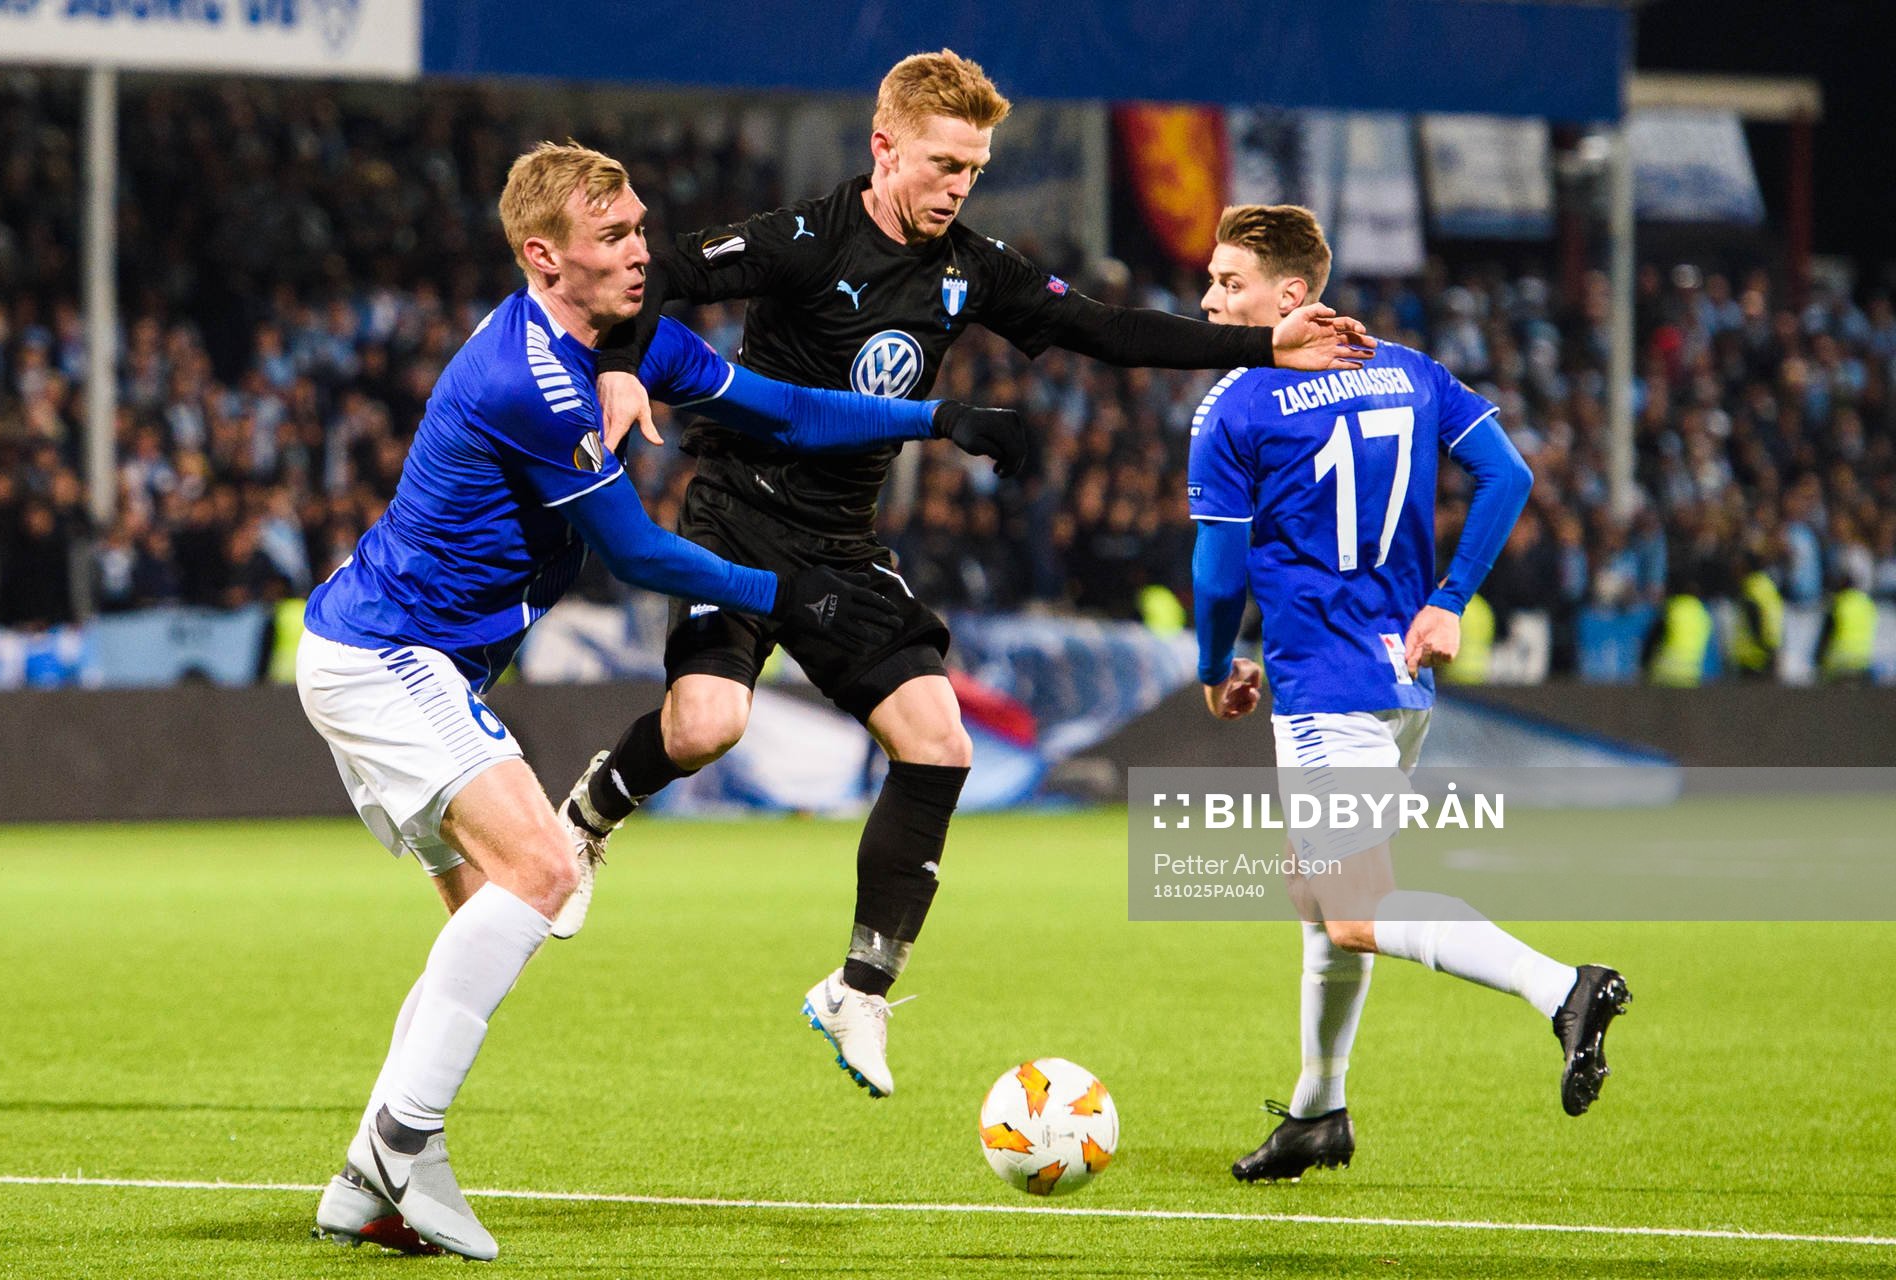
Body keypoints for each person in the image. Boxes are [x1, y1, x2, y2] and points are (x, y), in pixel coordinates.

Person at [565, 50, 1376, 1100]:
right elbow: (667, 268)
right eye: (945, 162)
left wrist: (1265, 345)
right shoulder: (806, 237)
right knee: (705, 726)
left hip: (844, 540)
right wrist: (623, 358)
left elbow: (1104, 329)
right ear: (884, 146)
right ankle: (587, 814)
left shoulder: (971, 266)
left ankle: (859, 986)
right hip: (737, 514)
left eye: (976, 168)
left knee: (939, 743)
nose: (959, 185)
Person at [300, 141, 1025, 1260]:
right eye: (613, 238)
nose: (644, 252)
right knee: (543, 873)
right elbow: (638, 552)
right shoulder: (530, 378)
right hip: (390, 655)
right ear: (545, 258)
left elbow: (784, 408)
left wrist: (937, 420)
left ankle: (379, 1170)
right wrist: (787, 594)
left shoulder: (625, 341)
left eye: (642, 227)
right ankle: (396, 1149)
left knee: (496, 916)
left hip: (391, 653)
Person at [1184, 204, 1630, 1183]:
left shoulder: (1238, 403)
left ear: (1290, 295)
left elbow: (1218, 575)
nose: (1211, 297)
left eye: (1230, 281)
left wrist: (1217, 668)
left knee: (1349, 907)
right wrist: (1449, 599)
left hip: (1323, 688)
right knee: (1319, 895)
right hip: (1400, 680)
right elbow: (1507, 474)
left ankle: (1562, 987)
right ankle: (1316, 1108)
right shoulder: (1408, 368)